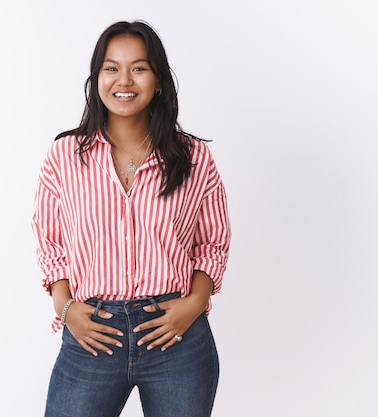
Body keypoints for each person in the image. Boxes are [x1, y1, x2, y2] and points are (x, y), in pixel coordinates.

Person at [32, 20, 231, 417]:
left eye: (138, 67)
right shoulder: (65, 156)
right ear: (97, 78)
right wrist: (65, 308)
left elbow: (212, 243)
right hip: (92, 333)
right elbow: (50, 242)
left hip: (175, 335)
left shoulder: (193, 158)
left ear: (158, 80)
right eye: (111, 67)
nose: (124, 79)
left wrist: (193, 304)